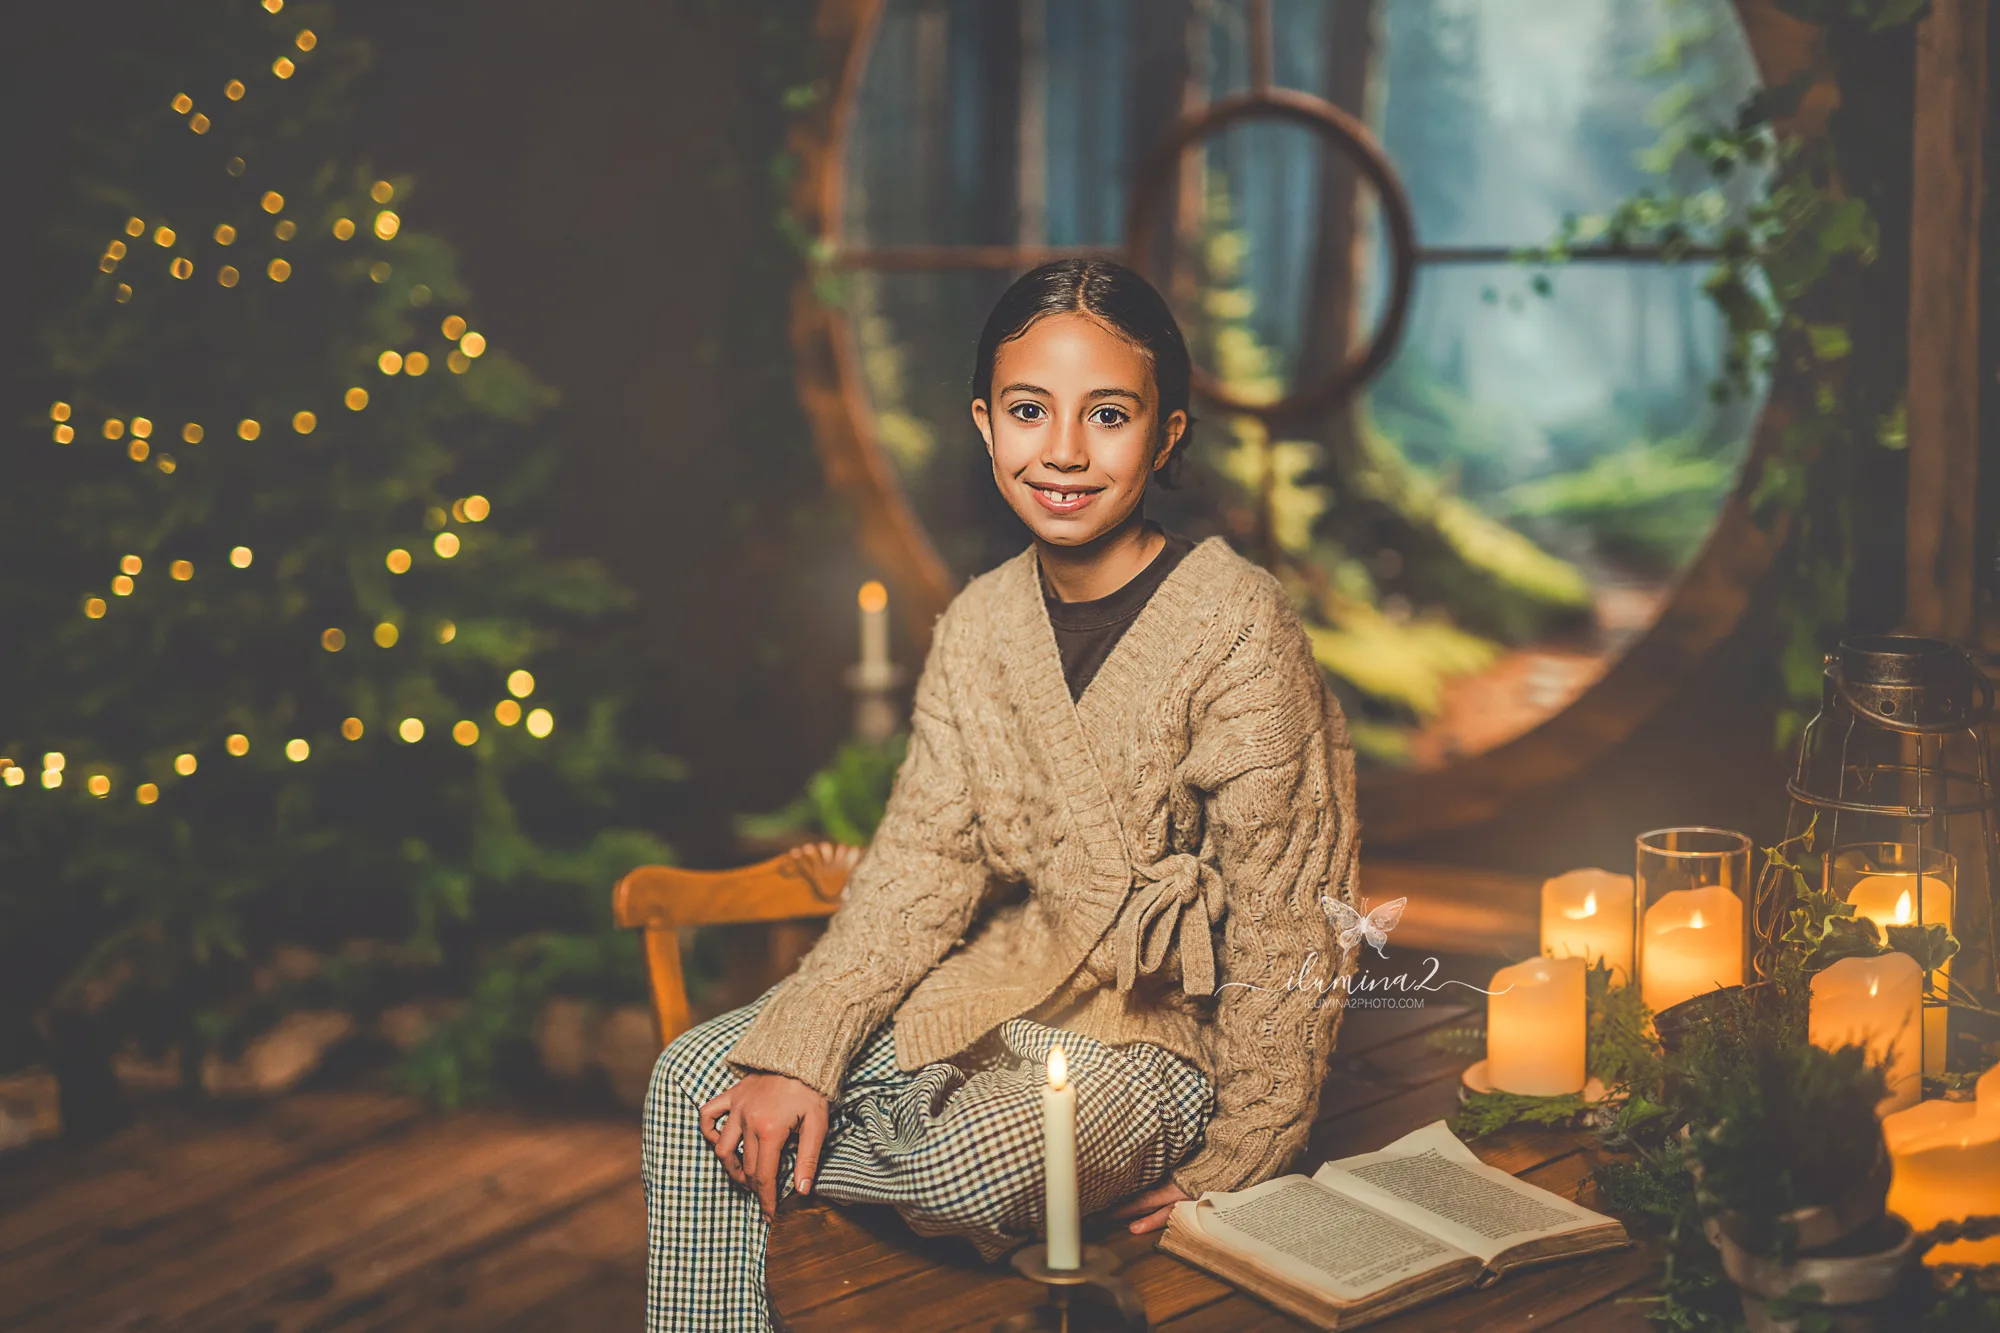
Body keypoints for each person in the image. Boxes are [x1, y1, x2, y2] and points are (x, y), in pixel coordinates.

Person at [642, 257, 1360, 1331]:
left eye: (1107, 414)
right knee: (690, 1075)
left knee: (971, 1162)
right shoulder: (978, 623)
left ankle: (857, 1132)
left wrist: (1246, 1152)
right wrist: (803, 1052)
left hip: (1155, 1036)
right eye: (1029, 410)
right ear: (985, 425)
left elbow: (1289, 911)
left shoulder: (1238, 625)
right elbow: (920, 868)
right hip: (999, 986)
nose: (1062, 450)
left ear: (1165, 434)